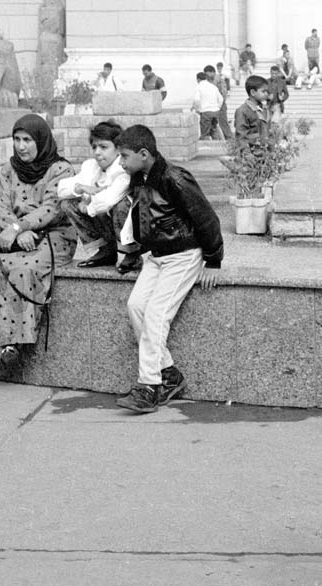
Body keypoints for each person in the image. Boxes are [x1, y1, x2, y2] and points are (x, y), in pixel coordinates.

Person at [114, 125, 223, 413]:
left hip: (184, 255)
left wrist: (213, 260)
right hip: (157, 256)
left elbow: (207, 217)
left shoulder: (175, 177)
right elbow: (142, 220)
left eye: (124, 156)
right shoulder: (139, 177)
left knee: (155, 315)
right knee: (136, 306)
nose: (121, 162)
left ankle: (149, 386)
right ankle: (169, 374)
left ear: (144, 153)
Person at [0, 114, 75, 371]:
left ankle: (15, 343)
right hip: (14, 235)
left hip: (52, 236)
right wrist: (16, 232)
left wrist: (22, 226)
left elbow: (53, 208)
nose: (21, 146)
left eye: (28, 140)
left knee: (24, 269)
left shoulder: (60, 169)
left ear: (41, 140)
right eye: (17, 139)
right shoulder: (9, 169)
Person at [57, 120, 134, 271]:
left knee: (122, 204)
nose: (97, 152)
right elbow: (61, 189)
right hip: (106, 221)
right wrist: (79, 188)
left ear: (118, 149)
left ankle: (132, 254)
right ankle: (106, 250)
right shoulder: (91, 166)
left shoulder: (123, 168)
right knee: (68, 204)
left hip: (129, 227)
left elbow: (109, 199)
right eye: (94, 147)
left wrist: (88, 204)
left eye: (103, 147)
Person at [234, 75, 270, 148]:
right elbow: (241, 138)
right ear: (253, 92)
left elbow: (270, 133)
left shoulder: (265, 110)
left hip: (266, 154)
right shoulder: (242, 111)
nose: (267, 94)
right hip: (252, 154)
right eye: (263, 91)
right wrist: (247, 155)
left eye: (267, 91)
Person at [193, 71, 224, 140]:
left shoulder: (199, 87)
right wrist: (217, 108)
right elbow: (221, 99)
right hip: (215, 112)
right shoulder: (213, 86)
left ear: (198, 79)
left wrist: (198, 110)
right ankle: (218, 146)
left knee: (205, 133)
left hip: (205, 112)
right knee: (214, 130)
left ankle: (206, 148)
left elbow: (197, 100)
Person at [213, 63, 232, 139]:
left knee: (223, 122)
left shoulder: (221, 78)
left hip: (220, 104)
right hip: (217, 104)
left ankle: (229, 138)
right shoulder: (217, 77)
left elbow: (224, 91)